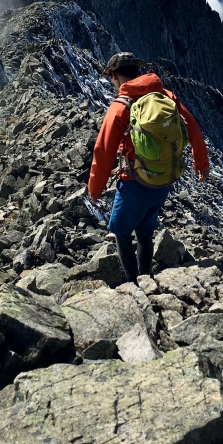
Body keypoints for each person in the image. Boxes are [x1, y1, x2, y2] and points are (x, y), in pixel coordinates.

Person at [88, 52, 210, 282]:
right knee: (145, 230)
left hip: (135, 182)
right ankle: (146, 276)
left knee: (121, 232)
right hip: (165, 178)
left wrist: (95, 189)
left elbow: (103, 150)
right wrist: (201, 163)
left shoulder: (120, 107)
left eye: (111, 77)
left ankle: (134, 285)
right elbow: (192, 126)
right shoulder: (164, 95)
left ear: (114, 75)